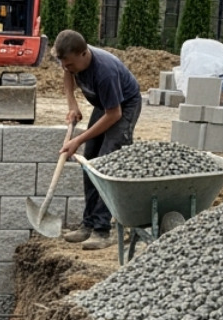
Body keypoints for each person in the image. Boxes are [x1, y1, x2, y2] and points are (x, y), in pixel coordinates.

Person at [53, 29, 143, 250]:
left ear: (84, 54)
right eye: (64, 64)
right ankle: (89, 223)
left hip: (123, 107)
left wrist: (78, 140)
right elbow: (67, 74)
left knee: (106, 164)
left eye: (70, 64)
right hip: (105, 105)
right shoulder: (70, 60)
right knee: (90, 162)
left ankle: (103, 230)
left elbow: (115, 114)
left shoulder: (105, 72)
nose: (67, 67)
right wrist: (72, 104)